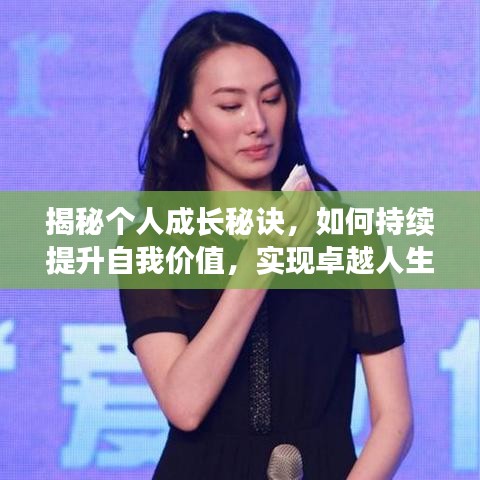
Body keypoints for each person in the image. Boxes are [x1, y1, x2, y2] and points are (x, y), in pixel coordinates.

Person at [119, 10, 413, 479]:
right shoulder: (150, 243)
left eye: (271, 99)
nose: (257, 123)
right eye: (230, 106)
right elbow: (185, 405)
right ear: (184, 115)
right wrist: (262, 258)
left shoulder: (345, 235)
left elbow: (395, 419)